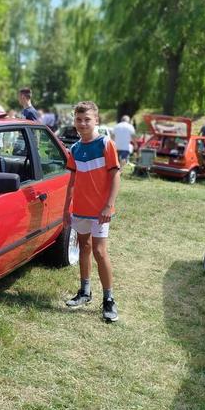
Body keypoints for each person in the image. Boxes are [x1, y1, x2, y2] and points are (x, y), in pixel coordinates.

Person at [63, 100, 121, 322]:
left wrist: (108, 205)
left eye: (87, 119)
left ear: (96, 120)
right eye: (79, 119)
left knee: (100, 251)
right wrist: (65, 209)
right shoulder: (75, 149)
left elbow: (115, 175)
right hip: (80, 210)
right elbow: (72, 181)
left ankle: (109, 300)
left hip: (100, 212)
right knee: (83, 248)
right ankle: (85, 292)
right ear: (74, 122)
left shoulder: (106, 144)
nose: (83, 123)